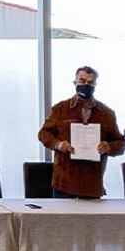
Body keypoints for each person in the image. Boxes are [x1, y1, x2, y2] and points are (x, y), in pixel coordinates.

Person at [38, 65, 124, 198]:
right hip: (64, 184)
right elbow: (43, 134)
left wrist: (109, 146)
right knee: (61, 213)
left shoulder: (106, 114)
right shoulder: (60, 109)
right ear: (75, 82)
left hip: (92, 184)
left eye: (90, 82)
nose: (86, 85)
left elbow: (121, 144)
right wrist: (58, 144)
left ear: (95, 85)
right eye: (82, 81)